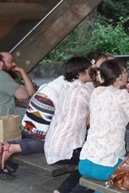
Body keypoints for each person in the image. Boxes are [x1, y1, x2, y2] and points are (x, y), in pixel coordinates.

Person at [77, 60, 129, 182]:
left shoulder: (96, 92)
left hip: (85, 161)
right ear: (118, 77)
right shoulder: (122, 95)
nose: (127, 75)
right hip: (107, 165)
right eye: (125, 72)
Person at [43, 56, 93, 193]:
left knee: (89, 162)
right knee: (96, 163)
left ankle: (60, 191)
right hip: (67, 149)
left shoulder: (67, 85)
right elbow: (103, 109)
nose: (93, 72)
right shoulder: (83, 91)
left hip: (52, 145)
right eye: (90, 70)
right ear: (80, 73)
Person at [0, 52, 35, 143]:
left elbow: (30, 92)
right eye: (10, 61)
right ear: (0, 63)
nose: (14, 64)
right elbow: (24, 96)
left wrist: (22, 71)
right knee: (35, 132)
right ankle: (10, 150)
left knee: (29, 129)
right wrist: (22, 71)